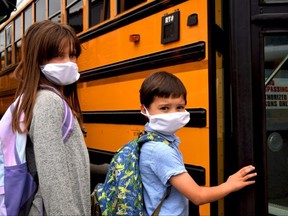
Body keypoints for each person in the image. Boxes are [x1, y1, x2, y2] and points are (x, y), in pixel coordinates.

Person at [139, 71, 257, 215]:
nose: (173, 114)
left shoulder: (150, 141)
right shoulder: (159, 150)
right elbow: (198, 196)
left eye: (180, 107)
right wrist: (230, 185)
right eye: (164, 108)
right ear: (144, 110)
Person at [12, 20, 90, 215]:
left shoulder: (42, 98)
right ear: (38, 60)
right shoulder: (48, 102)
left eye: (72, 55)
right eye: (58, 56)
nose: (69, 63)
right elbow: (54, 179)